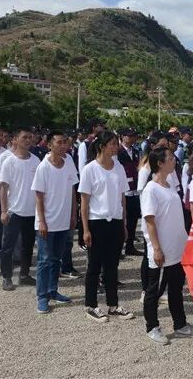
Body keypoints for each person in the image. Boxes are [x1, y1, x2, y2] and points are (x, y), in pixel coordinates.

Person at [140, 147, 193, 344]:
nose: (174, 160)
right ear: (159, 163)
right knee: (154, 291)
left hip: (177, 248)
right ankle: (152, 326)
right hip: (162, 250)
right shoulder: (151, 189)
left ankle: (180, 324)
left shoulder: (170, 185)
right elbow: (150, 221)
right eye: (170, 158)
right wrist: (156, 248)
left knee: (175, 289)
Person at [79, 131, 135, 322]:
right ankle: (91, 305)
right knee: (94, 266)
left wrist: (125, 223)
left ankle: (113, 304)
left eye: (116, 143)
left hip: (116, 222)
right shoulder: (90, 169)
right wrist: (85, 229)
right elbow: (84, 202)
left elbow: (122, 198)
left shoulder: (118, 167)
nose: (116, 147)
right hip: (97, 222)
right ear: (102, 146)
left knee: (112, 266)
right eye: (112, 144)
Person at [31, 131, 78, 313]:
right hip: (47, 222)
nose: (62, 145)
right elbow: (39, 196)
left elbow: (73, 191)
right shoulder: (44, 167)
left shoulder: (69, 163)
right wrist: (42, 221)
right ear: (49, 145)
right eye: (58, 142)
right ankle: (42, 296)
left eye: (64, 142)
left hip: (63, 221)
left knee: (56, 259)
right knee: (44, 260)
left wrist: (73, 215)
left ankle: (52, 290)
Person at [0, 127, 40, 290]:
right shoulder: (9, 161)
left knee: (28, 245)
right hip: (14, 211)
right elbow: (3, 187)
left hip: (31, 211)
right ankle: (7, 277)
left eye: (30, 137)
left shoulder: (36, 160)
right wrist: (3, 210)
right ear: (14, 140)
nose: (28, 140)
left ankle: (24, 274)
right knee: (8, 246)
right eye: (24, 137)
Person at [118, 127, 144, 256]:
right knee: (123, 219)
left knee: (133, 219)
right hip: (124, 189)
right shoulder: (118, 150)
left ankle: (130, 245)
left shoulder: (135, 150)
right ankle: (119, 247)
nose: (132, 138)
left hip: (134, 187)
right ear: (122, 136)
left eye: (133, 135)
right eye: (129, 135)